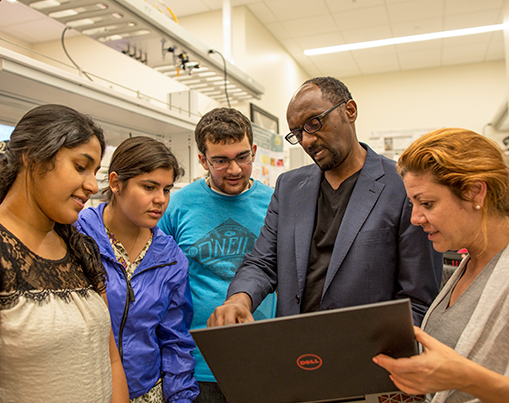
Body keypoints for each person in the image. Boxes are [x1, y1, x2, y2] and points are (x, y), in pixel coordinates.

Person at [208, 76, 442, 328]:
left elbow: (418, 300)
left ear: (349, 111)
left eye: (314, 123)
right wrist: (239, 299)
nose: (307, 141)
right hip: (296, 350)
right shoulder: (289, 188)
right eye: (297, 133)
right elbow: (263, 261)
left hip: (367, 355)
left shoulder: (401, 186)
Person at [0, 104, 129, 402]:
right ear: (32, 157)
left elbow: (109, 359)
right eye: (80, 166)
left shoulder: (80, 248)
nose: (92, 185)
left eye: (95, 171)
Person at [373, 128, 509, 403]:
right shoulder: (465, 267)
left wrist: (464, 377)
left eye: (427, 203)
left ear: (474, 192)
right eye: (412, 203)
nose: (415, 218)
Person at [158, 107, 277, 403]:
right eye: (220, 161)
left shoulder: (276, 203)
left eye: (242, 157)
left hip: (263, 355)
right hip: (198, 361)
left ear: (254, 151)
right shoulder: (176, 206)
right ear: (203, 160)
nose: (234, 169)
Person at [76, 136, 199, 403]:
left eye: (166, 189)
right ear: (116, 183)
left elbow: (175, 340)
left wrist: (180, 399)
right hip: (86, 391)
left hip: (147, 393)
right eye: (149, 187)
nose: (160, 200)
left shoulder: (171, 258)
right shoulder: (78, 238)